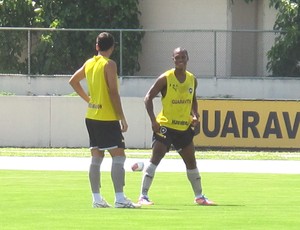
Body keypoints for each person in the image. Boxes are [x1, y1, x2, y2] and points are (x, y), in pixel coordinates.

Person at [69, 32, 141, 208]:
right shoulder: (109, 64)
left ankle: (97, 199)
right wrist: (121, 117)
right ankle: (120, 198)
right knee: (119, 157)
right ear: (113, 47)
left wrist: (89, 99)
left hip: (91, 116)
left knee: (96, 157)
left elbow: (73, 81)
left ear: (97, 46)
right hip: (107, 118)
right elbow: (113, 92)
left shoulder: (89, 63)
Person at [138, 47, 215, 206]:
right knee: (156, 158)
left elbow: (193, 99)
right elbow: (148, 98)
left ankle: (199, 196)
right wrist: (153, 120)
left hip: (183, 128)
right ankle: (143, 196)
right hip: (165, 125)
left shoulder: (192, 79)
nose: (180, 60)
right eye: (177, 57)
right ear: (173, 59)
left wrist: (195, 115)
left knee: (191, 161)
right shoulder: (165, 78)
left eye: (183, 57)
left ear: (188, 58)